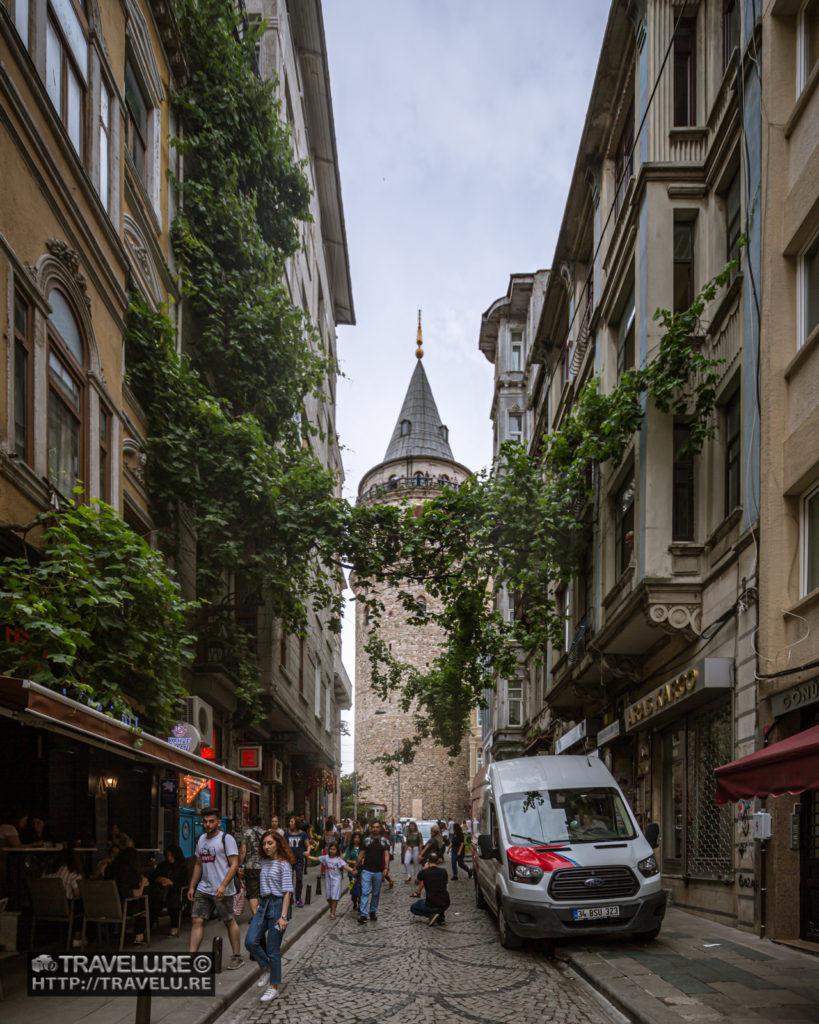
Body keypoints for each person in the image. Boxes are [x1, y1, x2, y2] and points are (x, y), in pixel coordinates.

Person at [187, 807, 243, 969]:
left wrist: (223, 885)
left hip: (222, 889)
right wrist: (192, 886)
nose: (207, 824)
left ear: (218, 822)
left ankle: (237, 956)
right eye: (205, 821)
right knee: (197, 920)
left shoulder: (227, 839)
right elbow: (199, 864)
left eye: (211, 821)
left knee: (228, 921)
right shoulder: (201, 840)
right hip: (204, 888)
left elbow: (234, 864)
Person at [244, 829, 294, 1003]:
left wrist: (283, 916)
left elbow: (287, 892)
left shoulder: (284, 864)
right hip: (263, 905)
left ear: (278, 844)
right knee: (250, 941)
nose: (266, 846)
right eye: (264, 843)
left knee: (273, 950)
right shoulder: (264, 862)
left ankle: (273, 987)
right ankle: (267, 969)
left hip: (279, 905)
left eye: (270, 843)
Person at [306, 841, 356, 919]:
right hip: (328, 879)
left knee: (334, 896)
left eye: (334, 849)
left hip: (336, 880)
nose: (332, 851)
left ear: (337, 851)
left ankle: (332, 913)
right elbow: (317, 859)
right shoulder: (325, 857)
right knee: (328, 897)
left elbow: (345, 866)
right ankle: (332, 907)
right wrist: (308, 856)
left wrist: (352, 870)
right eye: (331, 849)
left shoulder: (338, 859)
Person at [108, 846, 148, 944]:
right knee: (145, 902)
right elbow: (137, 894)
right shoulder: (132, 872)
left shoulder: (110, 868)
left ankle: (117, 930)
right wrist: (143, 883)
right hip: (124, 908)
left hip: (108, 906)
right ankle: (139, 936)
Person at [148, 844, 188, 935]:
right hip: (161, 890)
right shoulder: (163, 865)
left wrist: (171, 883)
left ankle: (174, 927)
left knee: (173, 900)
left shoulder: (182, 867)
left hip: (176, 891)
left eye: (171, 855)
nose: (169, 858)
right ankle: (147, 926)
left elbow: (184, 883)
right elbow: (153, 877)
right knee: (155, 901)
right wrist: (159, 879)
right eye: (168, 856)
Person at [355, 820, 389, 924]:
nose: (375, 829)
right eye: (373, 827)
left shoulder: (384, 841)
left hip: (378, 871)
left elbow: (387, 855)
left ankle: (373, 911)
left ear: (380, 828)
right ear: (371, 828)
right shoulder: (366, 841)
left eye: (377, 827)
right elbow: (361, 855)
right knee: (365, 892)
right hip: (367, 870)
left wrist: (386, 868)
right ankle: (364, 914)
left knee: (375, 893)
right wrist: (355, 867)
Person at [411, 851, 450, 926]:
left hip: (432, 903)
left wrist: (424, 869)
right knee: (437, 902)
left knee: (413, 907)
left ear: (428, 861)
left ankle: (432, 915)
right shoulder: (444, 871)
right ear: (437, 860)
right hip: (445, 902)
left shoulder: (425, 872)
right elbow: (446, 882)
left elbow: (416, 881)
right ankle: (440, 916)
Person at [239, 816, 266, 915]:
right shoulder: (265, 833)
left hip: (250, 866)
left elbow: (243, 851)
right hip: (264, 866)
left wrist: (240, 864)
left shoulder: (246, 833)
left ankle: (255, 916)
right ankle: (263, 914)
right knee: (263, 891)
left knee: (252, 893)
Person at [284, 815, 311, 907]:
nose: (290, 823)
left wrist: (308, 851)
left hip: (299, 859)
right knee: (289, 879)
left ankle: (298, 898)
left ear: (296, 823)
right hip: (288, 859)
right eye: (290, 822)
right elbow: (283, 846)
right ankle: (289, 897)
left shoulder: (302, 834)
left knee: (299, 878)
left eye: (292, 822)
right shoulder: (287, 834)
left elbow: (308, 845)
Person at [343, 830, 363, 911]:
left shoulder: (362, 849)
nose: (356, 839)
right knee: (352, 888)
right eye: (355, 838)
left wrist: (362, 861)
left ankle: (360, 903)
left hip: (361, 872)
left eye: (358, 838)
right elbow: (346, 859)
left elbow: (364, 857)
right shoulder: (349, 848)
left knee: (360, 887)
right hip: (351, 873)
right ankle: (354, 901)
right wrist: (354, 862)